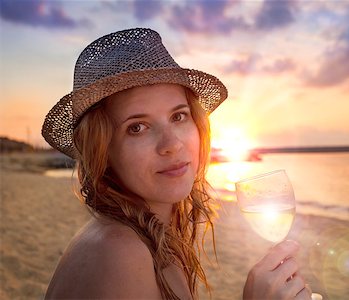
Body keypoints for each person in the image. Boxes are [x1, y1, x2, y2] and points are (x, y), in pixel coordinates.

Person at [42, 28, 312, 300]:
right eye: (137, 127)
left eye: (178, 117)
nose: (171, 144)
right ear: (102, 150)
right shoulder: (119, 254)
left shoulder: (151, 238)